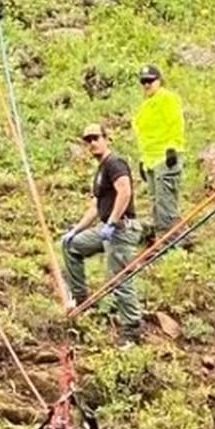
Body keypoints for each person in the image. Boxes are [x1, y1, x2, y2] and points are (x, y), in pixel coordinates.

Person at [61, 123, 143, 347]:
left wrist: (113, 221)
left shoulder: (114, 163)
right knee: (72, 246)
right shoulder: (100, 171)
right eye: (87, 140)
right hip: (107, 227)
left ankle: (132, 329)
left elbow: (125, 191)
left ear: (106, 138)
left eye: (95, 138)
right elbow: (96, 207)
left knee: (119, 278)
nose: (92, 143)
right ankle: (81, 299)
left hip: (121, 228)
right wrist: (76, 230)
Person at [131, 63, 186, 235]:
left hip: (165, 157)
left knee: (165, 201)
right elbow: (144, 135)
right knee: (155, 201)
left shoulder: (167, 98)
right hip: (151, 160)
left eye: (150, 81)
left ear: (159, 81)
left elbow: (175, 123)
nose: (147, 85)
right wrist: (142, 160)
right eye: (143, 82)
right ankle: (163, 236)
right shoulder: (145, 106)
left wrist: (172, 147)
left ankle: (171, 238)